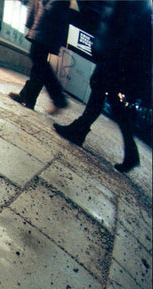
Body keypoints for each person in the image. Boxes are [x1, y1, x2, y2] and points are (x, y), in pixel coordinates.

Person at [54, 0, 152, 172]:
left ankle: (80, 129)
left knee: (101, 90)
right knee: (109, 97)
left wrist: (109, 54)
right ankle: (129, 153)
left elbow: (121, 27)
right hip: (114, 55)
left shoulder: (133, 3)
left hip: (114, 56)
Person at [9, 0, 70, 113]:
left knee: (39, 60)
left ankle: (58, 98)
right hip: (45, 25)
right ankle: (28, 97)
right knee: (39, 63)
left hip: (47, 27)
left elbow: (50, 7)